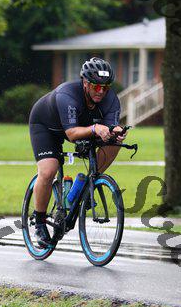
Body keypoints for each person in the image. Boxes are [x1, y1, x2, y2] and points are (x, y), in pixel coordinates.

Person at [29, 56, 127, 247]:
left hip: (81, 126)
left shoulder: (111, 100)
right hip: (46, 126)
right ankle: (39, 223)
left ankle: (87, 185)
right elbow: (72, 133)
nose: (101, 91)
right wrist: (95, 128)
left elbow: (109, 128)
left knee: (114, 142)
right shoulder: (68, 94)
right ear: (85, 82)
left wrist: (115, 131)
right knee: (49, 170)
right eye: (96, 86)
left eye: (105, 87)